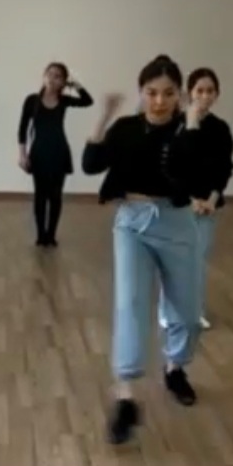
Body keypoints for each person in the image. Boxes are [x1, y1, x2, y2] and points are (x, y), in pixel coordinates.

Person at [82, 54, 205, 445]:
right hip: (132, 223)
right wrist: (104, 115)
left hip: (177, 223)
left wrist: (192, 124)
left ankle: (175, 367)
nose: (159, 101)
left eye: (168, 93)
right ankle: (126, 396)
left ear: (180, 95)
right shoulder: (126, 128)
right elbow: (90, 164)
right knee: (130, 303)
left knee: (187, 311)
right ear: (142, 92)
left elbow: (193, 175)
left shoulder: (187, 131)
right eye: (152, 92)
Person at [158, 67, 233, 331]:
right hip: (179, 203)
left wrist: (212, 198)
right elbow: (172, 168)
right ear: (189, 93)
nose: (204, 96)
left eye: (210, 91)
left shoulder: (221, 128)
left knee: (198, 260)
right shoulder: (176, 124)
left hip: (207, 205)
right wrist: (189, 198)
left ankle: (194, 310)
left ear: (216, 95)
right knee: (174, 259)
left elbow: (225, 168)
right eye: (199, 90)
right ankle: (167, 310)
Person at [17, 62, 94, 246]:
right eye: (50, 74)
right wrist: (22, 154)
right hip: (39, 153)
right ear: (44, 76)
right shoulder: (32, 100)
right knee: (40, 195)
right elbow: (22, 129)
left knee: (55, 196)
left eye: (58, 76)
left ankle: (51, 235)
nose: (52, 79)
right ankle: (40, 235)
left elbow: (87, 101)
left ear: (63, 82)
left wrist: (75, 84)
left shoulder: (64, 100)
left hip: (59, 152)